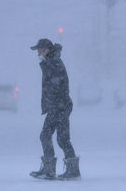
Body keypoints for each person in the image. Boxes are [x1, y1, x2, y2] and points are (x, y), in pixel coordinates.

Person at [29, 38, 80, 180]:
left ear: (48, 50)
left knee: (62, 139)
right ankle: (49, 170)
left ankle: (73, 171)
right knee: (45, 136)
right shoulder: (50, 61)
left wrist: (55, 105)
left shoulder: (54, 62)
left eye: (41, 50)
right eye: (38, 50)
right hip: (55, 107)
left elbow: (56, 85)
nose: (38, 53)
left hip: (60, 107)